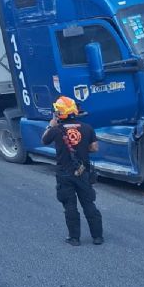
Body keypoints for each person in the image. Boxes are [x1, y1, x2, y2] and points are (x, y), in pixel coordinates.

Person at [41, 96, 103, 246]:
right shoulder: (87, 128)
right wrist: (81, 149)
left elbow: (44, 140)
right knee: (89, 204)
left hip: (64, 173)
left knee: (70, 206)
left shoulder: (55, 130)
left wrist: (50, 125)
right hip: (82, 172)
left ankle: (74, 238)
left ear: (59, 114)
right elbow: (94, 148)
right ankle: (97, 237)